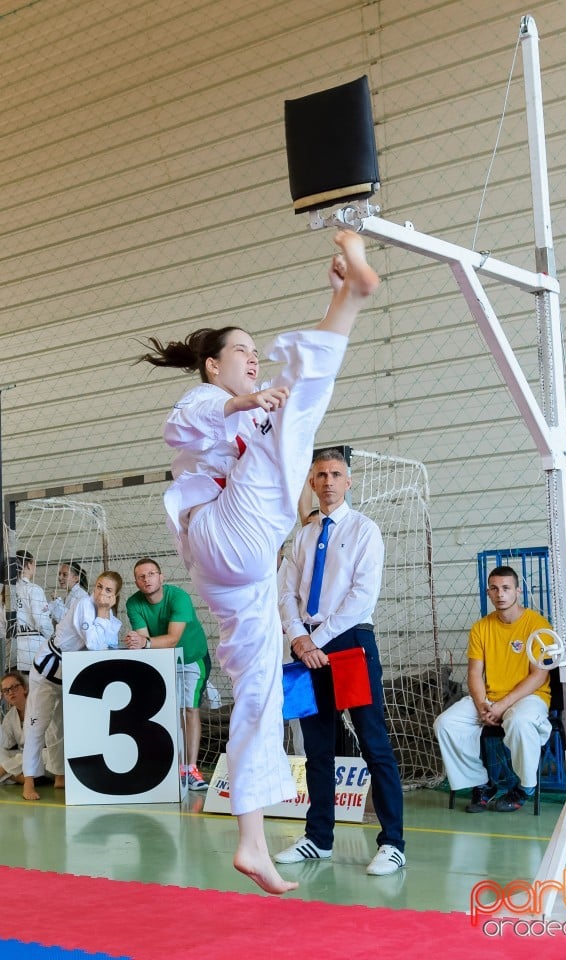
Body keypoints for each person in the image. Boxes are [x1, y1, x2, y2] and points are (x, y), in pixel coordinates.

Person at [140, 230, 379, 894]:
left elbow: (283, 394)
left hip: (238, 569)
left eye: (253, 352)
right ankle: (353, 303)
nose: (251, 359)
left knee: (259, 694)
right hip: (222, 533)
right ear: (214, 367)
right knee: (292, 410)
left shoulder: (256, 415)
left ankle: (251, 842)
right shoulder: (212, 405)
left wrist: (330, 304)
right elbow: (183, 423)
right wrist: (237, 403)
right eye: (240, 353)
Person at [276, 448, 405, 876]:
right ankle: (318, 838)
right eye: (320, 475)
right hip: (304, 646)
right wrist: (298, 637)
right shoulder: (303, 537)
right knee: (316, 747)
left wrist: (316, 640)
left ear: (348, 482)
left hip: (349, 642)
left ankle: (392, 843)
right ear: (311, 483)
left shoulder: (365, 530)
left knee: (373, 742)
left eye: (335, 474)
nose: (328, 481)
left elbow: (360, 599)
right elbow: (286, 593)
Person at [434, 565, 552, 812]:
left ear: (518, 591)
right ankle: (481, 782)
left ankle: (525, 788)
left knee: (520, 722)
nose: (500, 594)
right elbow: (474, 674)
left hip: (529, 697)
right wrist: (482, 706)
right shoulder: (481, 627)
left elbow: (538, 676)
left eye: (506, 588)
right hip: (489, 698)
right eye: (495, 588)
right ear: (488, 592)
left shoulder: (538, 625)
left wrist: (500, 706)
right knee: (446, 723)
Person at [22, 571, 122, 801]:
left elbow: (109, 648)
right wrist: (103, 611)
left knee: (60, 726)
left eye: (108, 590)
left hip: (73, 674)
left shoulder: (114, 621)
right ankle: (29, 781)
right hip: (47, 671)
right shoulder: (83, 605)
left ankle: (59, 775)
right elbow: (96, 645)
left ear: (115, 596)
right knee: (37, 723)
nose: (101, 593)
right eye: (99, 586)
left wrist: (106, 613)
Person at [124, 557, 212, 791]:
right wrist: (140, 642)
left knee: (190, 709)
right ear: (136, 582)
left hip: (192, 658)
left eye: (151, 574)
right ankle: (167, 766)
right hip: (162, 660)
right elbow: (143, 641)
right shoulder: (133, 603)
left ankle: (190, 769)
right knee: (164, 713)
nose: (147, 579)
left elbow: (172, 638)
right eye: (141, 576)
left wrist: (144, 642)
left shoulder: (179, 597)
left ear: (161, 577)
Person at [11, 550, 54, 672]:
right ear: (29, 565)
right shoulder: (33, 589)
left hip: (13, 652)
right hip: (34, 651)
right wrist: (54, 638)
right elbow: (42, 622)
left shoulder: (7, 592)